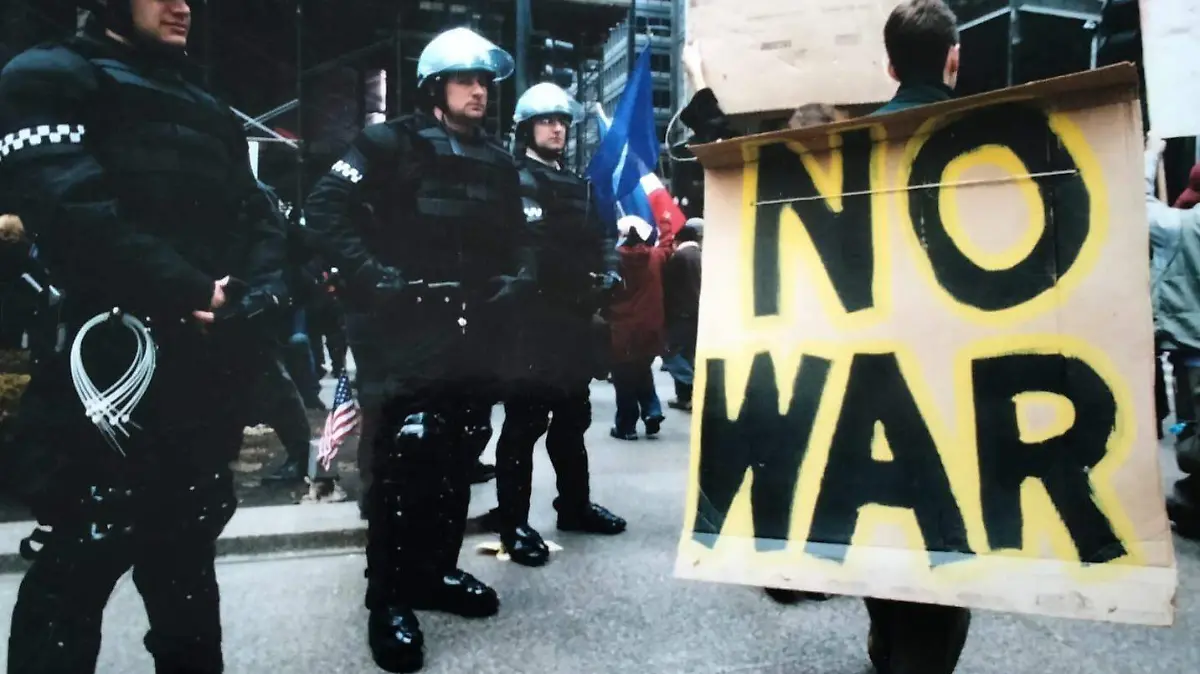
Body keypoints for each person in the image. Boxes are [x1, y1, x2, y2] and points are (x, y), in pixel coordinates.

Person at [0, 1, 286, 672]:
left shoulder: (204, 102)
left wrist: (260, 294)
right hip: (103, 369)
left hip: (200, 374)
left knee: (187, 567)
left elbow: (259, 215)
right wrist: (196, 290)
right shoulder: (46, 76)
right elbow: (74, 212)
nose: (182, 4)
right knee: (77, 567)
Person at [304, 26, 533, 674]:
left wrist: (520, 275)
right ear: (435, 86)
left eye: (486, 82)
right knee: (402, 468)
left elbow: (520, 236)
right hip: (400, 333)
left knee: (458, 461)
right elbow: (324, 213)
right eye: (467, 80)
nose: (480, 92)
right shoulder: (386, 143)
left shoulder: (498, 159)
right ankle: (389, 601)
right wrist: (375, 276)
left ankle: (435, 575)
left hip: (475, 331)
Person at [475, 82, 626, 567]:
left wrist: (609, 271)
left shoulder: (579, 184)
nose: (557, 128)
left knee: (572, 420)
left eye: (561, 121)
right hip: (532, 321)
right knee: (523, 426)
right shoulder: (514, 179)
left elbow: (602, 235)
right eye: (546, 120)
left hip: (573, 320)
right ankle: (514, 522)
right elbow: (533, 247)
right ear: (526, 129)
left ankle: (574, 506)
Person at [863, 3, 971, 674]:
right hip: (959, 372)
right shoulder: (990, 135)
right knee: (947, 524)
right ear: (954, 58)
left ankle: (887, 633)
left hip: (871, 370)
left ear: (892, 66)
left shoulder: (851, 144)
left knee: (883, 511)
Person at [1147, 132, 1200, 540]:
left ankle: (1192, 502)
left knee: (1193, 435)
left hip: (1193, 352)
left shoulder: (1186, 227)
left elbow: (1140, 205)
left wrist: (1150, 154)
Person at [608, 214, 676, 440]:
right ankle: (652, 411)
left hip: (621, 328)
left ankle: (626, 426)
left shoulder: (613, 259)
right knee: (642, 370)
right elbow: (668, 245)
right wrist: (665, 222)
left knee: (624, 378)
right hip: (651, 328)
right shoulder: (655, 257)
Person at [663, 218, 703, 411]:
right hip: (696, 313)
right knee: (688, 355)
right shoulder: (699, 255)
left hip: (681, 314)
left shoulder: (679, 257)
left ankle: (694, 388)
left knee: (672, 354)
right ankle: (685, 397)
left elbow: (668, 288)